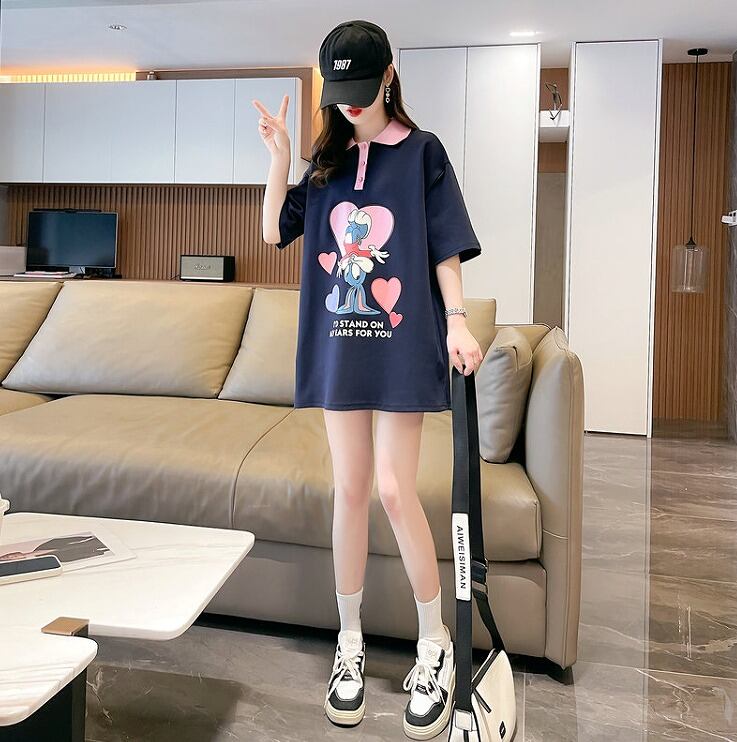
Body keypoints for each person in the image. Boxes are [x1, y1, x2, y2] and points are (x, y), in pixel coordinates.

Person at [254, 19, 483, 740]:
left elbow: (444, 245)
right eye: (339, 91)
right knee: (349, 490)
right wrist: (281, 158)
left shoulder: (422, 152)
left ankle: (434, 644)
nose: (350, 102)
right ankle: (348, 643)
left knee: (391, 488)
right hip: (337, 345)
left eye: (361, 86)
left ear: (388, 76)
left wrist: (456, 321)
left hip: (400, 342)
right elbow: (273, 232)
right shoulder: (325, 163)